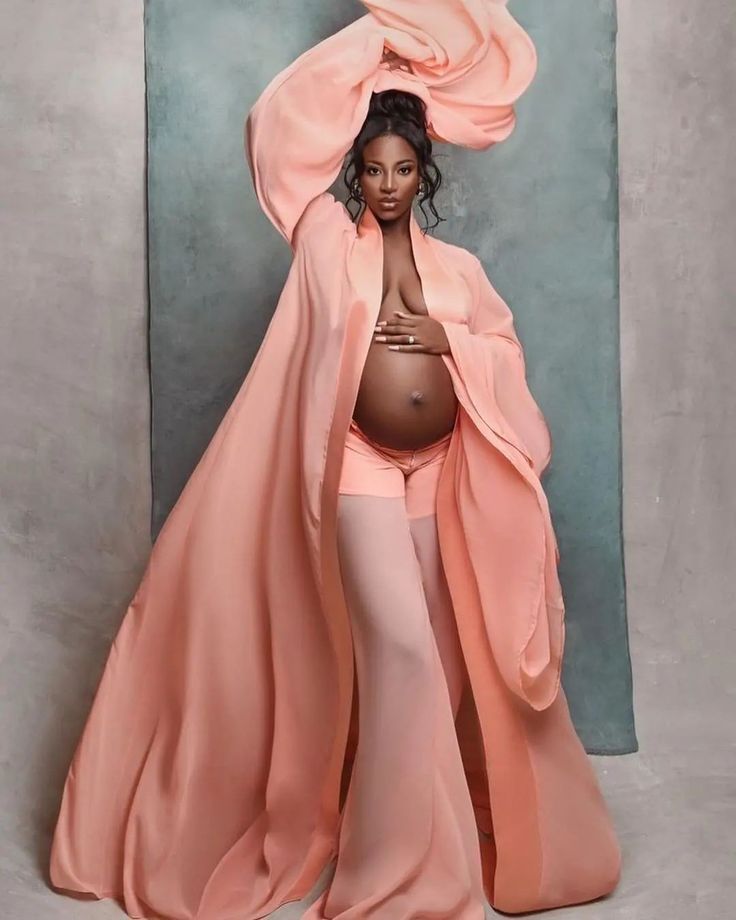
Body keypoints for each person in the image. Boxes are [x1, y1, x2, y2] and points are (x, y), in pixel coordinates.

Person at [48, 3, 622, 918]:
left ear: (423, 174)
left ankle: (408, 843)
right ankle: (396, 883)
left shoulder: (461, 272)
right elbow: (272, 131)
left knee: (436, 659)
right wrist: (380, 48)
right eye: (372, 170)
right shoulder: (323, 243)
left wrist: (448, 340)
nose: (387, 186)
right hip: (355, 463)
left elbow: (507, 368)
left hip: (440, 471)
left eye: (402, 170)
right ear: (353, 175)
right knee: (398, 649)